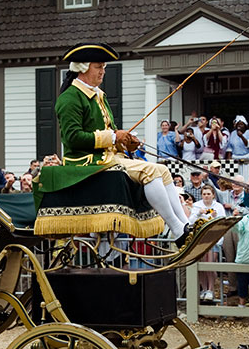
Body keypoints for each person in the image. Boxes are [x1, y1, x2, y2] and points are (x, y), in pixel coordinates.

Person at [54, 43, 190, 242]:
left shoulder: (99, 96)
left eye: (104, 67)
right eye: (98, 67)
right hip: (86, 162)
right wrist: (115, 137)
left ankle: (184, 224)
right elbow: (72, 138)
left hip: (107, 157)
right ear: (83, 67)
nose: (103, 71)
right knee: (150, 171)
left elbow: (112, 131)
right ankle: (177, 229)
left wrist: (126, 142)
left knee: (164, 171)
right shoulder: (70, 98)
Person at [187, 185, 226, 302]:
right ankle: (204, 288)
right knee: (201, 265)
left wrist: (215, 216)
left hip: (214, 240)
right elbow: (190, 222)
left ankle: (211, 289)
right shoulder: (197, 205)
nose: (206, 196)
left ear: (213, 195)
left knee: (210, 265)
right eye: (204, 194)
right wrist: (198, 213)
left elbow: (223, 222)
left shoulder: (218, 206)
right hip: (200, 240)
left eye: (208, 194)